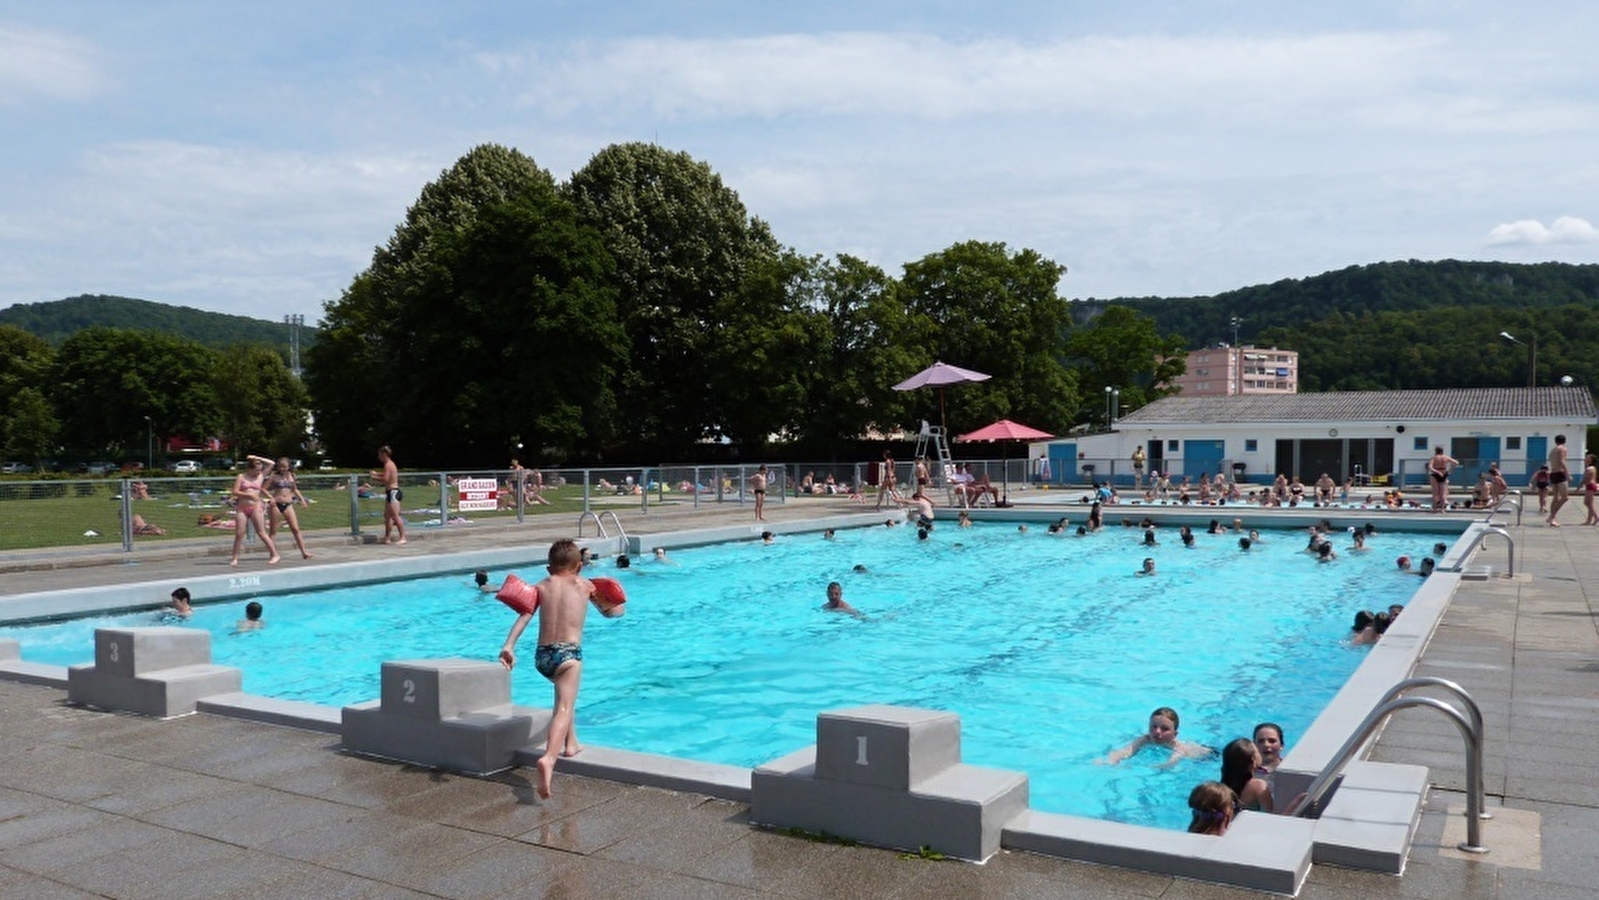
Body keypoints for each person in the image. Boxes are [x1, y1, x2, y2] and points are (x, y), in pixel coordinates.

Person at [497, 539, 625, 799]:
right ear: (579, 566)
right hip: (568, 654)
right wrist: (615, 597)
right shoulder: (585, 585)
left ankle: (571, 744)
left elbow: (524, 615)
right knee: (563, 708)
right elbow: (614, 613)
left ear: (548, 568)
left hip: (542, 657)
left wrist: (508, 646)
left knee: (565, 698)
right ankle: (549, 758)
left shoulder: (540, 587)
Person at [1103, 706, 1210, 766]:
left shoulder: (1178, 747)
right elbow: (1126, 751)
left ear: (1175, 734)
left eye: (1165, 729)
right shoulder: (1145, 739)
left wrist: (1156, 767)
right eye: (1154, 726)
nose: (1157, 731)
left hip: (1205, 756)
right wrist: (1112, 760)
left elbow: (1171, 764)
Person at [229, 455, 281, 566]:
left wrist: (257, 458)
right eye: (256, 470)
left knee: (261, 532)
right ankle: (235, 557)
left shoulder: (261, 476)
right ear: (250, 469)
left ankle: (274, 554)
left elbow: (271, 463)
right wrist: (247, 495)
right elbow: (235, 491)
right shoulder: (241, 477)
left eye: (260, 470)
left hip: (256, 507)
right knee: (239, 533)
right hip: (242, 507)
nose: (258, 472)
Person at [266, 457, 313, 560]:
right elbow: (263, 488)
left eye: (285, 467)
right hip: (276, 504)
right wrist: (271, 498)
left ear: (289, 467)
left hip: (288, 504)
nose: (283, 469)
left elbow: (295, 489)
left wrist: (302, 500)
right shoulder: (274, 476)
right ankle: (273, 553)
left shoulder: (292, 476)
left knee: (295, 529)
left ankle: (304, 552)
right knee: (273, 530)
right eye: (281, 466)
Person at [1220, 738, 1273, 812]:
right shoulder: (1259, 786)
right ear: (1253, 761)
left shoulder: (1220, 789)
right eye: (1257, 751)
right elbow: (1270, 815)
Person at [372, 445, 407, 545]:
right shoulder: (388, 464)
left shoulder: (388, 464)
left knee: (395, 516)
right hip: (390, 492)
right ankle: (387, 538)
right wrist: (376, 474)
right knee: (387, 516)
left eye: (379, 455)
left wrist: (374, 478)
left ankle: (403, 537)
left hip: (393, 492)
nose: (379, 457)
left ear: (384, 454)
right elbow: (386, 474)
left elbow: (386, 479)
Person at [1548, 434, 1570, 526]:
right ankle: (1551, 516)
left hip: (1553, 473)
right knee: (1565, 497)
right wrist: (1568, 473)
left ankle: (1552, 518)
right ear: (1564, 441)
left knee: (1555, 497)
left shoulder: (1553, 450)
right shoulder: (1563, 449)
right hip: (1560, 473)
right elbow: (1562, 461)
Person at [1584, 454, 1599, 526]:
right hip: (1591, 485)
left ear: (1591, 460)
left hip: (1590, 486)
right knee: (1590, 503)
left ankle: (1596, 517)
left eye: (1587, 458)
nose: (1585, 459)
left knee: (1587, 502)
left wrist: (1580, 485)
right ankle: (1589, 520)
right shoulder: (1592, 468)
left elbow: (1586, 478)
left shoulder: (1589, 468)